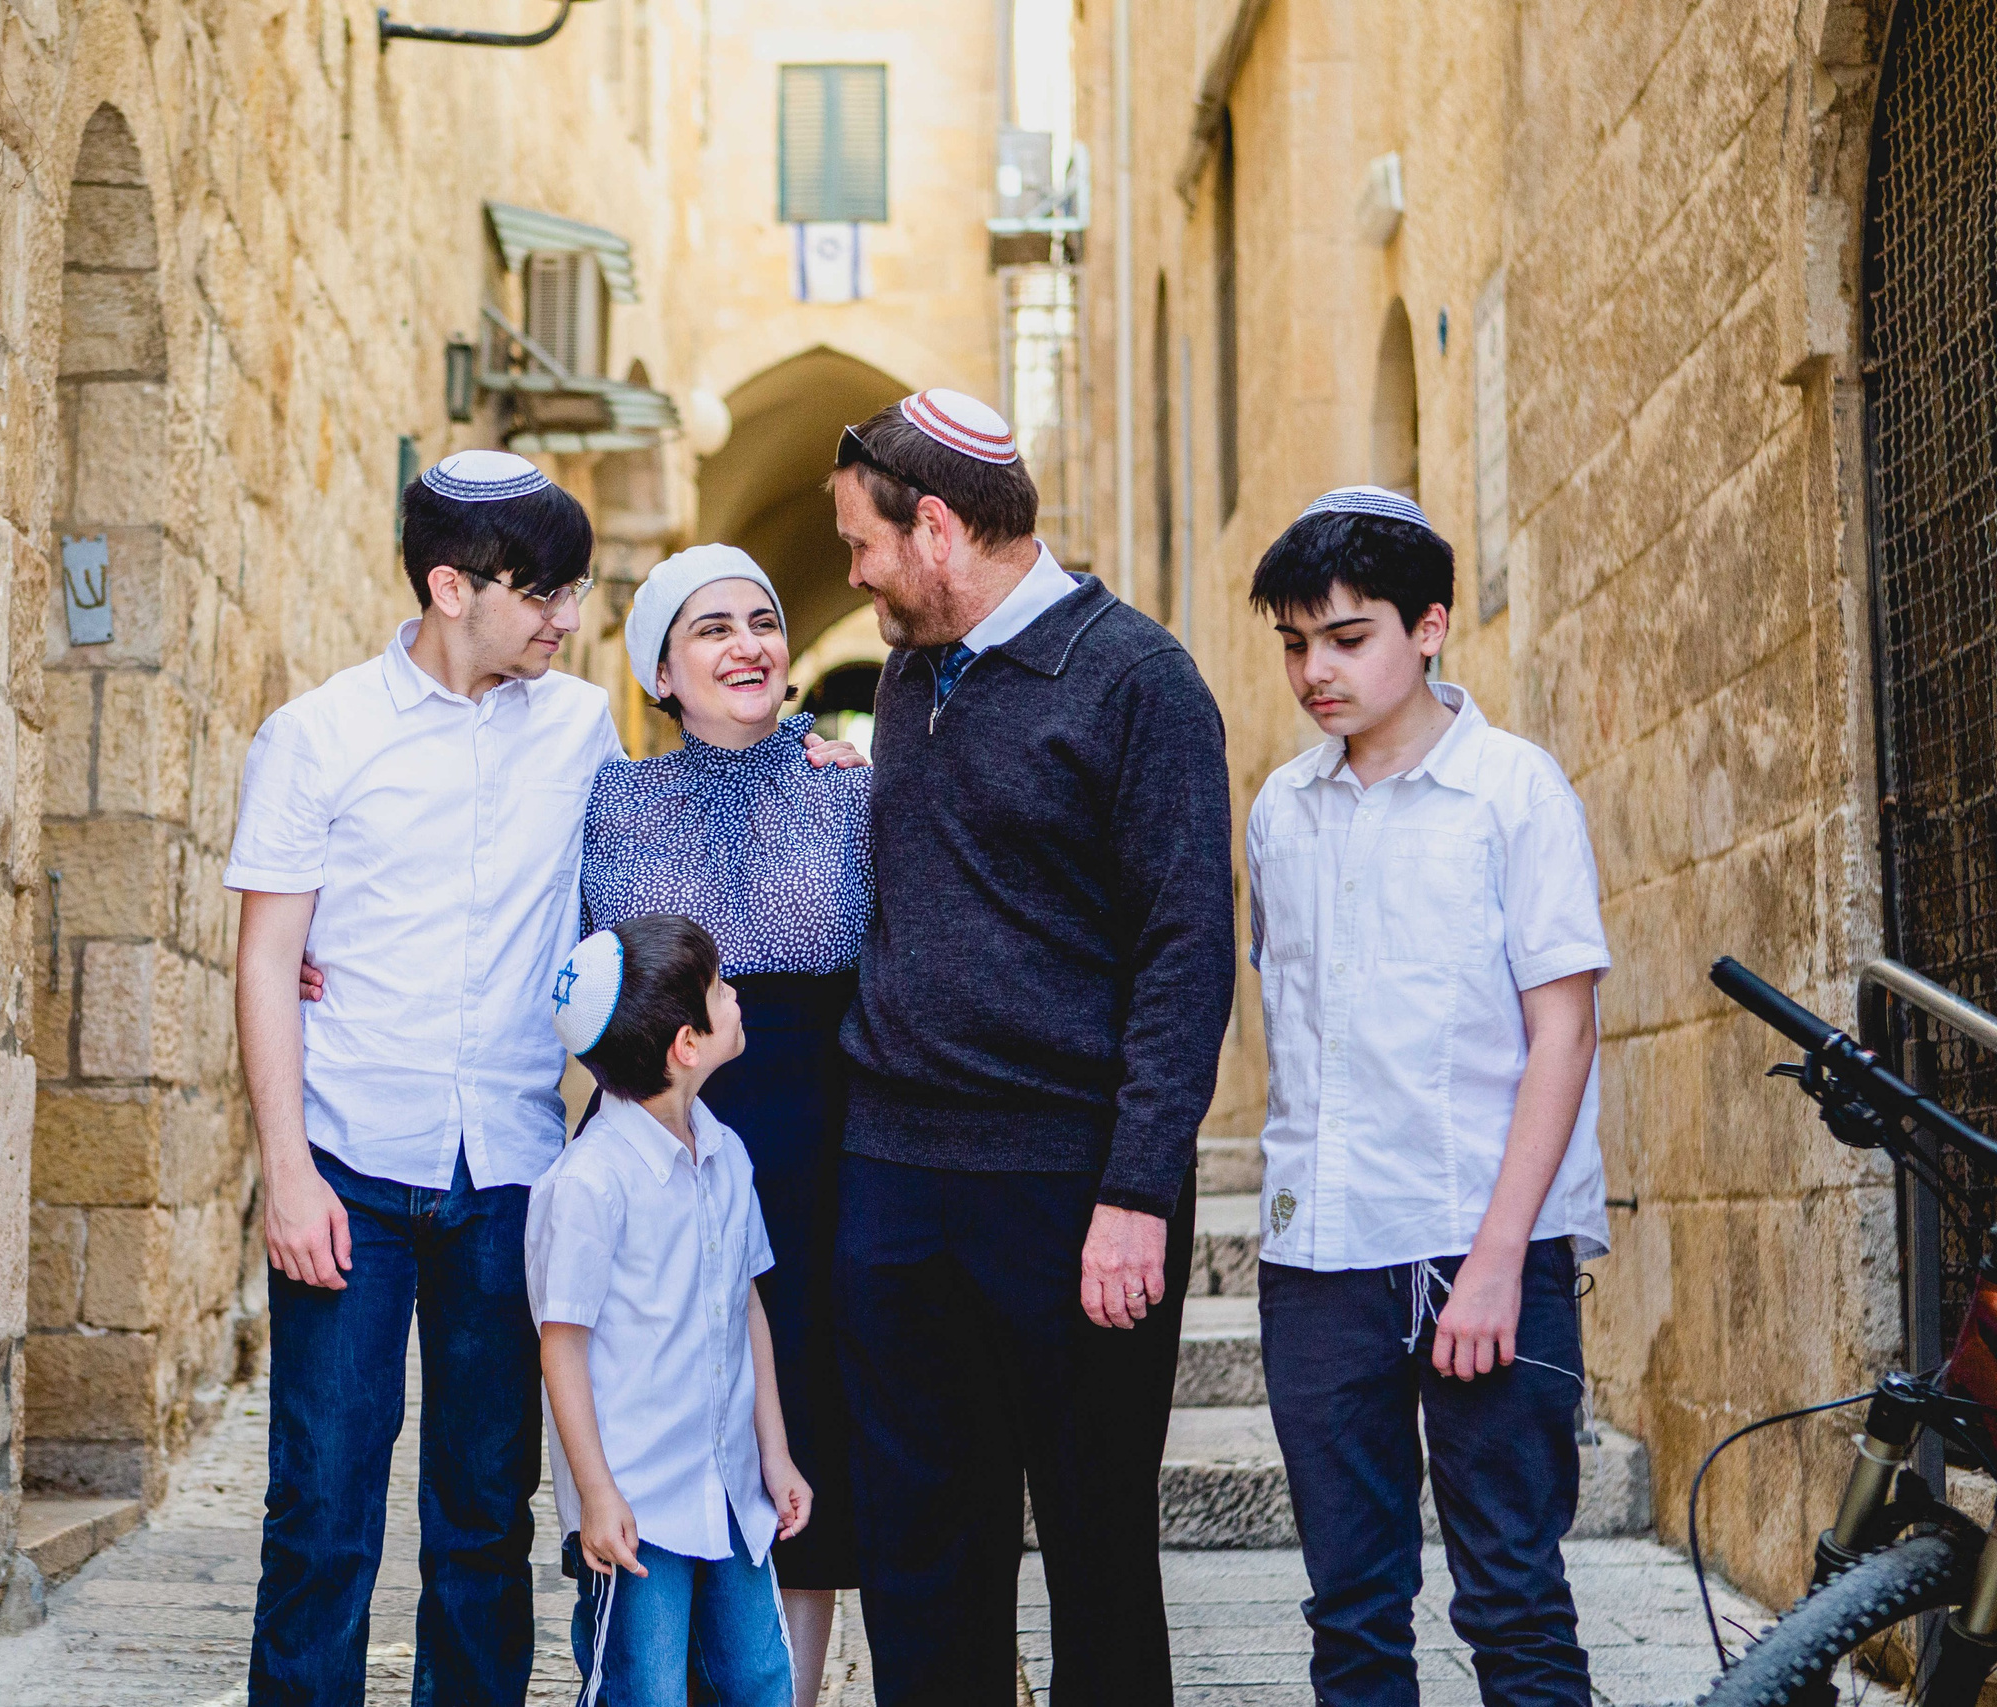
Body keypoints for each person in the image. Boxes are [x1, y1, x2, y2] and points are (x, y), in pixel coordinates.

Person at [828, 390, 1236, 1705]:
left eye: (864, 545)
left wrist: (1135, 1187)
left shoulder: (1138, 679)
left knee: (1098, 1556)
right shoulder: (902, 675)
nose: (855, 573)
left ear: (934, 525)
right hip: (896, 1180)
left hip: (1071, 1193)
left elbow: (1187, 951)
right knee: (920, 1558)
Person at [227, 450, 623, 1707]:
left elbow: (662, 844)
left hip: (509, 1171)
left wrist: (812, 770)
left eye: (574, 591)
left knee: (482, 1520)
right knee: (324, 1510)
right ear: (454, 587)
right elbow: (265, 957)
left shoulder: (580, 726)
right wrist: (286, 1177)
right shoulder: (317, 735)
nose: (566, 618)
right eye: (543, 593)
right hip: (345, 1166)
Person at [1243, 486, 1610, 1707]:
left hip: (1480, 1242)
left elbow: (1561, 1031)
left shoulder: (1514, 792)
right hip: (1321, 1257)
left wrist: (1499, 1259)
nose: (1315, 672)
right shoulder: (1279, 816)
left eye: (1347, 639)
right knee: (1350, 1611)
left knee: (1511, 1598)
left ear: (1430, 626)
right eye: (1296, 644)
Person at [580, 544, 871, 1707]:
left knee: (797, 1416)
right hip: (665, 1137)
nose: (747, 644)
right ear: (660, 669)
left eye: (762, 620)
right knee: (662, 1406)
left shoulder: (849, 787)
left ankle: (784, 1693)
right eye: (712, 629)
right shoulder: (612, 800)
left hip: (820, 1144)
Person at [527, 917, 812, 1707]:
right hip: (637, 1509)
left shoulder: (725, 1154)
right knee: (641, 1689)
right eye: (720, 988)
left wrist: (775, 1454)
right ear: (687, 1043)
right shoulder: (590, 1184)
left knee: (759, 1677)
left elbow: (746, 1303)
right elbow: (562, 1347)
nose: (736, 993)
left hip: (728, 1487)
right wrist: (596, 1495)